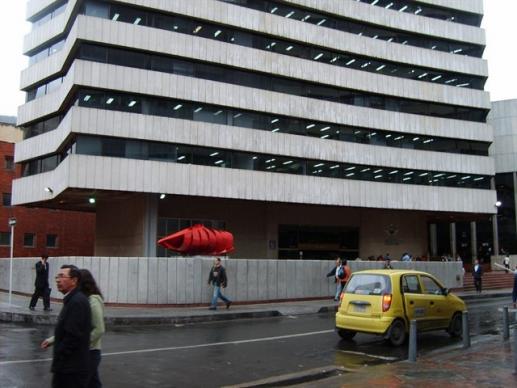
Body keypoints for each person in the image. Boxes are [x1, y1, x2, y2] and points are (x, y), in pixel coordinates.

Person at [41, 265, 91, 388]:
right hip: (67, 367)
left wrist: (60, 354)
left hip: (70, 370)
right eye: (57, 276)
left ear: (74, 280)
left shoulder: (77, 302)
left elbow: (73, 336)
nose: (58, 280)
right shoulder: (72, 299)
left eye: (62, 276)